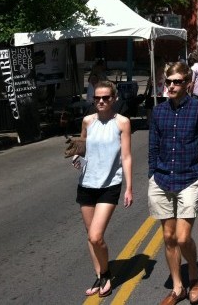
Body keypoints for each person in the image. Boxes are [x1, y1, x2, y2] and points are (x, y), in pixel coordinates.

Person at [148, 62, 198, 305]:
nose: (171, 86)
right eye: (168, 81)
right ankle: (177, 288)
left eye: (177, 81)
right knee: (168, 237)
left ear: (188, 84)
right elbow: (153, 147)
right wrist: (151, 175)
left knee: (181, 238)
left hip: (189, 178)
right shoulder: (159, 112)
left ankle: (194, 275)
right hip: (162, 178)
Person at [74, 80, 132, 298]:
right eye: (97, 97)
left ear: (114, 99)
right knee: (91, 237)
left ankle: (106, 273)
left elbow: (126, 157)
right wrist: (77, 157)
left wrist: (129, 188)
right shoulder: (87, 121)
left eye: (105, 97)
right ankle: (100, 276)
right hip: (86, 183)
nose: (100, 101)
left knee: (97, 236)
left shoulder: (122, 123)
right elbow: (82, 147)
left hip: (110, 184)